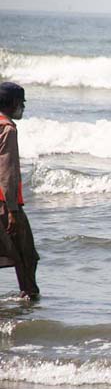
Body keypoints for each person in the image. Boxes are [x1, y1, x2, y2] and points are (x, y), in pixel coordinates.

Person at [0, 82, 39, 298]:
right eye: (22, 102)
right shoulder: (7, 129)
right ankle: (29, 302)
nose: (23, 107)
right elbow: (7, 172)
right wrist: (13, 210)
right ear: (14, 103)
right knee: (26, 257)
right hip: (4, 204)